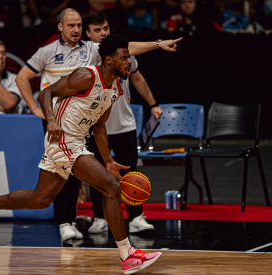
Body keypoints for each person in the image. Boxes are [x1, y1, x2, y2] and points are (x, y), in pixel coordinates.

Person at [0, 34, 163, 274]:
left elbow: (98, 127)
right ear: (108, 60)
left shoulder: (115, 89)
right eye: (124, 57)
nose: (129, 62)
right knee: (112, 188)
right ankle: (127, 255)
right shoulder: (86, 75)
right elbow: (45, 94)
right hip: (62, 139)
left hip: (76, 142)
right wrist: (52, 121)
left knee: (40, 199)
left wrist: (107, 160)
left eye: (129, 57)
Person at [15, 8, 182, 241]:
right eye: (70, 25)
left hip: (86, 124)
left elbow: (128, 48)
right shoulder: (46, 52)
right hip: (58, 124)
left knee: (94, 178)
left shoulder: (92, 49)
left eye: (77, 25)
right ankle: (67, 222)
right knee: (62, 182)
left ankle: (125, 230)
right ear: (60, 27)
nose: (75, 29)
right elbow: (22, 79)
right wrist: (36, 110)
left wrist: (157, 44)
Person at [84, 11, 163, 234]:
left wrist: (153, 103)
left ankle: (136, 217)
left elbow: (136, 76)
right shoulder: (87, 55)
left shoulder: (124, 54)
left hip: (124, 124)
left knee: (130, 172)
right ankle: (99, 218)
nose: (102, 33)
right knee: (97, 173)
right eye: (97, 30)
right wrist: (159, 43)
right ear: (87, 34)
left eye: (105, 29)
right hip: (96, 126)